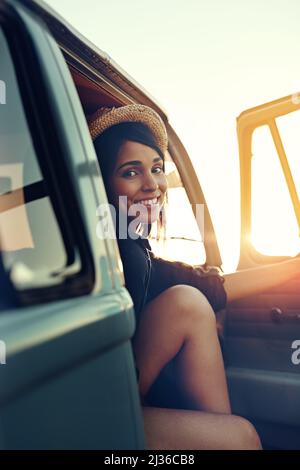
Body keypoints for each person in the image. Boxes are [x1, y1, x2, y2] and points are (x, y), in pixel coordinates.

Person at [88, 104, 299, 449]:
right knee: (241, 437)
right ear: (100, 184)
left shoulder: (136, 251)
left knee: (188, 301)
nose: (152, 184)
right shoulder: (103, 248)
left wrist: (292, 267)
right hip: (80, 407)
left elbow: (212, 286)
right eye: (130, 172)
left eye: (156, 168)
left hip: (110, 390)